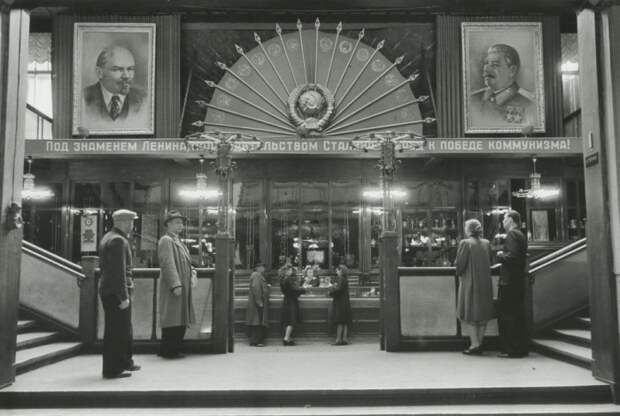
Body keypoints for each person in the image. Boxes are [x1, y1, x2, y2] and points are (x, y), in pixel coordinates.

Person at [98, 209, 140, 379]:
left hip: (109, 290)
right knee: (116, 331)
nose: (132, 225)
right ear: (122, 222)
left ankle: (123, 362)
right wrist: (123, 297)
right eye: (131, 222)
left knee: (120, 329)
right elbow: (118, 272)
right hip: (115, 293)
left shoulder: (109, 237)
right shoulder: (118, 241)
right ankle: (112, 369)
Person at [157, 210, 197, 359]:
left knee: (179, 319)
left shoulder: (178, 241)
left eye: (181, 222)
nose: (180, 225)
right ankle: (168, 350)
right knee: (172, 319)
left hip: (182, 286)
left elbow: (188, 263)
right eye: (176, 222)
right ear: (168, 225)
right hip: (174, 288)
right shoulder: (166, 240)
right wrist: (175, 284)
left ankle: (174, 349)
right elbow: (167, 264)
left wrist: (193, 273)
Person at [470, 44, 536, 126]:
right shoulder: (473, 99)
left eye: (494, 65)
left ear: (512, 70)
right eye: (486, 63)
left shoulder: (530, 104)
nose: (486, 69)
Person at [455, 219, 494, 355]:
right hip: (485, 282)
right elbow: (491, 261)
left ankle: (475, 344)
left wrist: (458, 272)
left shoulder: (465, 243)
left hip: (470, 282)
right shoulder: (487, 243)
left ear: (469, 229)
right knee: (483, 315)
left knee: (469, 313)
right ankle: (479, 343)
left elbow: (460, 265)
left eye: (465, 226)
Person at [496, 210, 529, 358]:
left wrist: (500, 255)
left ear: (511, 219)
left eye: (504, 218)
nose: (502, 221)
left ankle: (512, 349)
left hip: (509, 281)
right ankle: (520, 347)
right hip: (517, 280)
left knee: (507, 315)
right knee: (517, 315)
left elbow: (512, 256)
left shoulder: (512, 234)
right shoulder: (520, 234)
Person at [83, 45, 146, 122]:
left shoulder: (144, 99)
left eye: (130, 69)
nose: (126, 76)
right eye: (117, 69)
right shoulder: (83, 98)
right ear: (100, 73)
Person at [280, 265, 305, 346]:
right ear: (287, 271)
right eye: (290, 270)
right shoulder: (288, 279)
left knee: (288, 320)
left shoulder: (283, 279)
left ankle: (288, 338)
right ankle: (286, 338)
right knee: (291, 320)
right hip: (291, 301)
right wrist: (303, 289)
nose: (291, 271)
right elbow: (294, 289)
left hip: (287, 300)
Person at [246, 261, 270, 346]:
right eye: (262, 267)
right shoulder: (257, 275)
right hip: (257, 304)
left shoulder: (257, 275)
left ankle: (255, 340)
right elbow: (256, 289)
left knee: (257, 321)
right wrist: (259, 302)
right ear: (257, 268)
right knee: (258, 321)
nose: (264, 268)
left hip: (257, 303)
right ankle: (257, 341)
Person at [328, 264, 352, 346]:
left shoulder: (341, 278)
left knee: (340, 321)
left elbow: (338, 290)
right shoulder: (345, 279)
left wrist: (331, 289)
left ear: (341, 271)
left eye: (337, 270)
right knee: (344, 321)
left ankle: (338, 340)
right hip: (345, 302)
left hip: (340, 302)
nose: (336, 271)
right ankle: (344, 339)